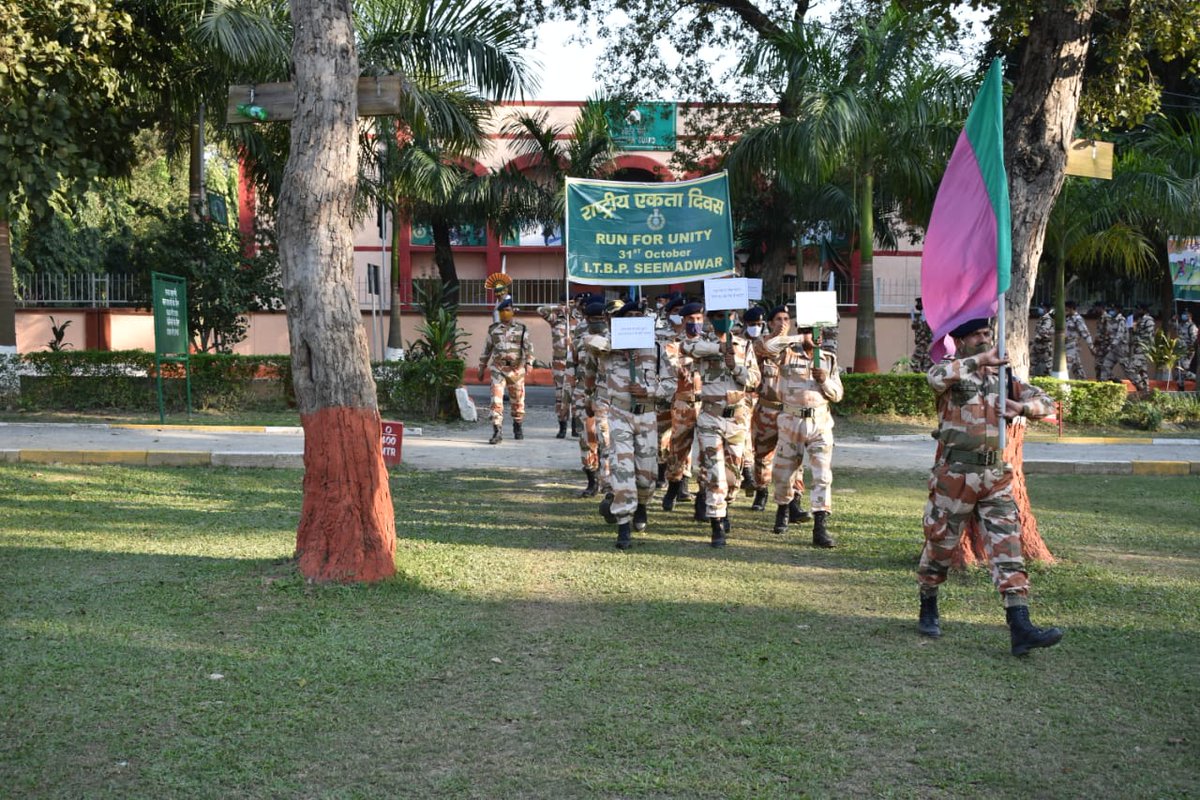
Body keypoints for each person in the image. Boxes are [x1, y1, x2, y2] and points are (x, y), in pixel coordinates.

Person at [916, 317, 1064, 657]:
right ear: (963, 341)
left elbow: (1047, 403)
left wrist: (1020, 406)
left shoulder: (1005, 378)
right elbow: (932, 377)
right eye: (978, 335)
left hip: (995, 475)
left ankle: (1020, 625)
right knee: (941, 543)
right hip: (955, 473)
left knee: (1007, 547)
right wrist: (979, 361)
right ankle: (928, 602)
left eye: (987, 334)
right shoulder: (952, 372)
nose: (985, 339)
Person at [582, 299, 677, 549]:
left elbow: (670, 384)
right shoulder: (606, 347)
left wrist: (649, 389)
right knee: (622, 469)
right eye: (629, 316)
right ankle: (623, 525)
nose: (634, 318)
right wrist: (620, 342)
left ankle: (642, 505)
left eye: (638, 315)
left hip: (647, 416)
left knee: (647, 476)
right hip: (619, 415)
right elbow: (588, 341)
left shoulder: (656, 349)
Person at [680, 307, 760, 547]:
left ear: (734, 318)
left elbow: (755, 379)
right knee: (715, 473)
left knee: (732, 475)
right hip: (710, 417)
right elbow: (688, 348)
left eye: (728, 316)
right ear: (709, 319)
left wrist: (735, 366)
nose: (723, 321)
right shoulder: (702, 343)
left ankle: (725, 506)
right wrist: (720, 349)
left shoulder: (744, 346)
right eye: (716, 316)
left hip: (736, 418)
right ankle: (717, 523)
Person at [765, 321, 843, 546]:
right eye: (807, 331)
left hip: (819, 423)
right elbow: (769, 347)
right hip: (791, 421)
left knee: (822, 475)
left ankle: (820, 526)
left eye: (815, 332)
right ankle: (783, 509)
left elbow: (837, 394)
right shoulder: (787, 355)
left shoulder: (828, 359)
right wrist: (798, 338)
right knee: (784, 472)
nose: (812, 336)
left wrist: (824, 380)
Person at [748, 304, 809, 519]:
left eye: (786, 319)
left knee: (794, 458)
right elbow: (772, 346)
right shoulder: (762, 343)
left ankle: (795, 500)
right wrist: (796, 338)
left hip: (790, 412)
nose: (782, 323)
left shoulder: (798, 349)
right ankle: (761, 490)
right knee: (762, 455)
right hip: (767, 409)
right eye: (778, 319)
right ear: (770, 323)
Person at [661, 301, 705, 512]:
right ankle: (673, 487)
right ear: (683, 321)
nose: (695, 323)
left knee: (708, 451)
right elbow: (673, 366)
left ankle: (703, 497)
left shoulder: (712, 342)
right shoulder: (674, 344)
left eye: (698, 320)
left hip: (707, 403)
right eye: (690, 320)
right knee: (678, 447)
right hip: (683, 402)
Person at [477, 298, 534, 444]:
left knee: (518, 401)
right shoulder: (493, 329)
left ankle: (518, 425)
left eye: (507, 310)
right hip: (498, 369)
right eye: (502, 311)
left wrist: (529, 363)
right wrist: (481, 367)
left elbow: (528, 347)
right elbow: (487, 349)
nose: (504, 313)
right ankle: (497, 431)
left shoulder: (522, 329)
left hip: (516, 370)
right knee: (496, 400)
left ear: (513, 311)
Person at [571, 298, 604, 496]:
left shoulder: (616, 340)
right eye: (594, 318)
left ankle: (607, 481)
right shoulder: (579, 342)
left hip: (608, 396)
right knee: (587, 438)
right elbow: (570, 370)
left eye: (601, 318)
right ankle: (592, 479)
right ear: (586, 319)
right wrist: (566, 401)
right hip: (583, 394)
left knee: (607, 439)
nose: (598, 322)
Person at [536, 295, 574, 438]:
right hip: (560, 361)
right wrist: (558, 308)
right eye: (565, 304)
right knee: (560, 394)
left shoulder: (579, 320)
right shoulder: (555, 319)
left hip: (575, 361)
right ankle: (562, 425)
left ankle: (576, 426)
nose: (568, 307)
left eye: (571, 303)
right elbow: (540, 310)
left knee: (577, 394)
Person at [1125, 303, 1156, 392]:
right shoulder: (1138, 320)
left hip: (1143, 350)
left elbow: (1147, 337)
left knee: (1130, 369)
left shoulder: (1149, 320)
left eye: (1139, 309)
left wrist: (1135, 332)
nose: (1137, 311)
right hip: (1137, 349)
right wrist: (1131, 328)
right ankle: (1146, 392)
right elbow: (1132, 334)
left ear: (1144, 310)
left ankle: (1141, 387)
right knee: (1142, 372)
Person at [1064, 300, 1094, 380]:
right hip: (1067, 347)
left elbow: (1086, 334)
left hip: (1072, 347)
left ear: (1071, 309)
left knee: (1065, 368)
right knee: (1077, 369)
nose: (1065, 311)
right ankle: (1084, 384)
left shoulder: (1078, 319)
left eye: (1066, 309)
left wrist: (1091, 347)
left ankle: (1062, 388)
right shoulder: (1067, 319)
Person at [1094, 301, 1123, 381]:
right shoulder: (1100, 318)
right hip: (1100, 346)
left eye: (1097, 307)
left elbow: (1109, 333)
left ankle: (1113, 380)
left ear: (1101, 308)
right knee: (1098, 366)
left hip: (1105, 346)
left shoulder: (1108, 318)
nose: (1095, 309)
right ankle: (1101, 382)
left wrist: (1104, 342)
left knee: (1103, 366)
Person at [1171, 308, 1197, 382]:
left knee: (1183, 369)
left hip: (1187, 351)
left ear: (1190, 316)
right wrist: (1173, 319)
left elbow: (1194, 340)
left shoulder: (1192, 327)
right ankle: (1180, 386)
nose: (1184, 316)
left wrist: (1189, 351)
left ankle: (1196, 378)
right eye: (1183, 314)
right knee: (1177, 370)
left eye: (1186, 314)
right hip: (1179, 351)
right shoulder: (1181, 325)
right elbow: (1172, 325)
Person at [1029, 304, 1053, 377]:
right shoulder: (1041, 318)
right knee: (1033, 362)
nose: (1040, 309)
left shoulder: (1048, 319)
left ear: (1047, 309)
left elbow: (1043, 331)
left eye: (1042, 308)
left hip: (1044, 346)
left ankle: (1050, 380)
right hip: (1037, 345)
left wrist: (1032, 341)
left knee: (1047, 364)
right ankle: (1031, 378)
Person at [911, 297, 933, 373]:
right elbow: (915, 329)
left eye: (919, 303)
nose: (917, 305)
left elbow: (928, 330)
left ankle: (918, 377)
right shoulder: (919, 318)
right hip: (921, 342)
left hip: (924, 343)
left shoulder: (928, 317)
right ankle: (922, 377)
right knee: (925, 361)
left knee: (914, 361)